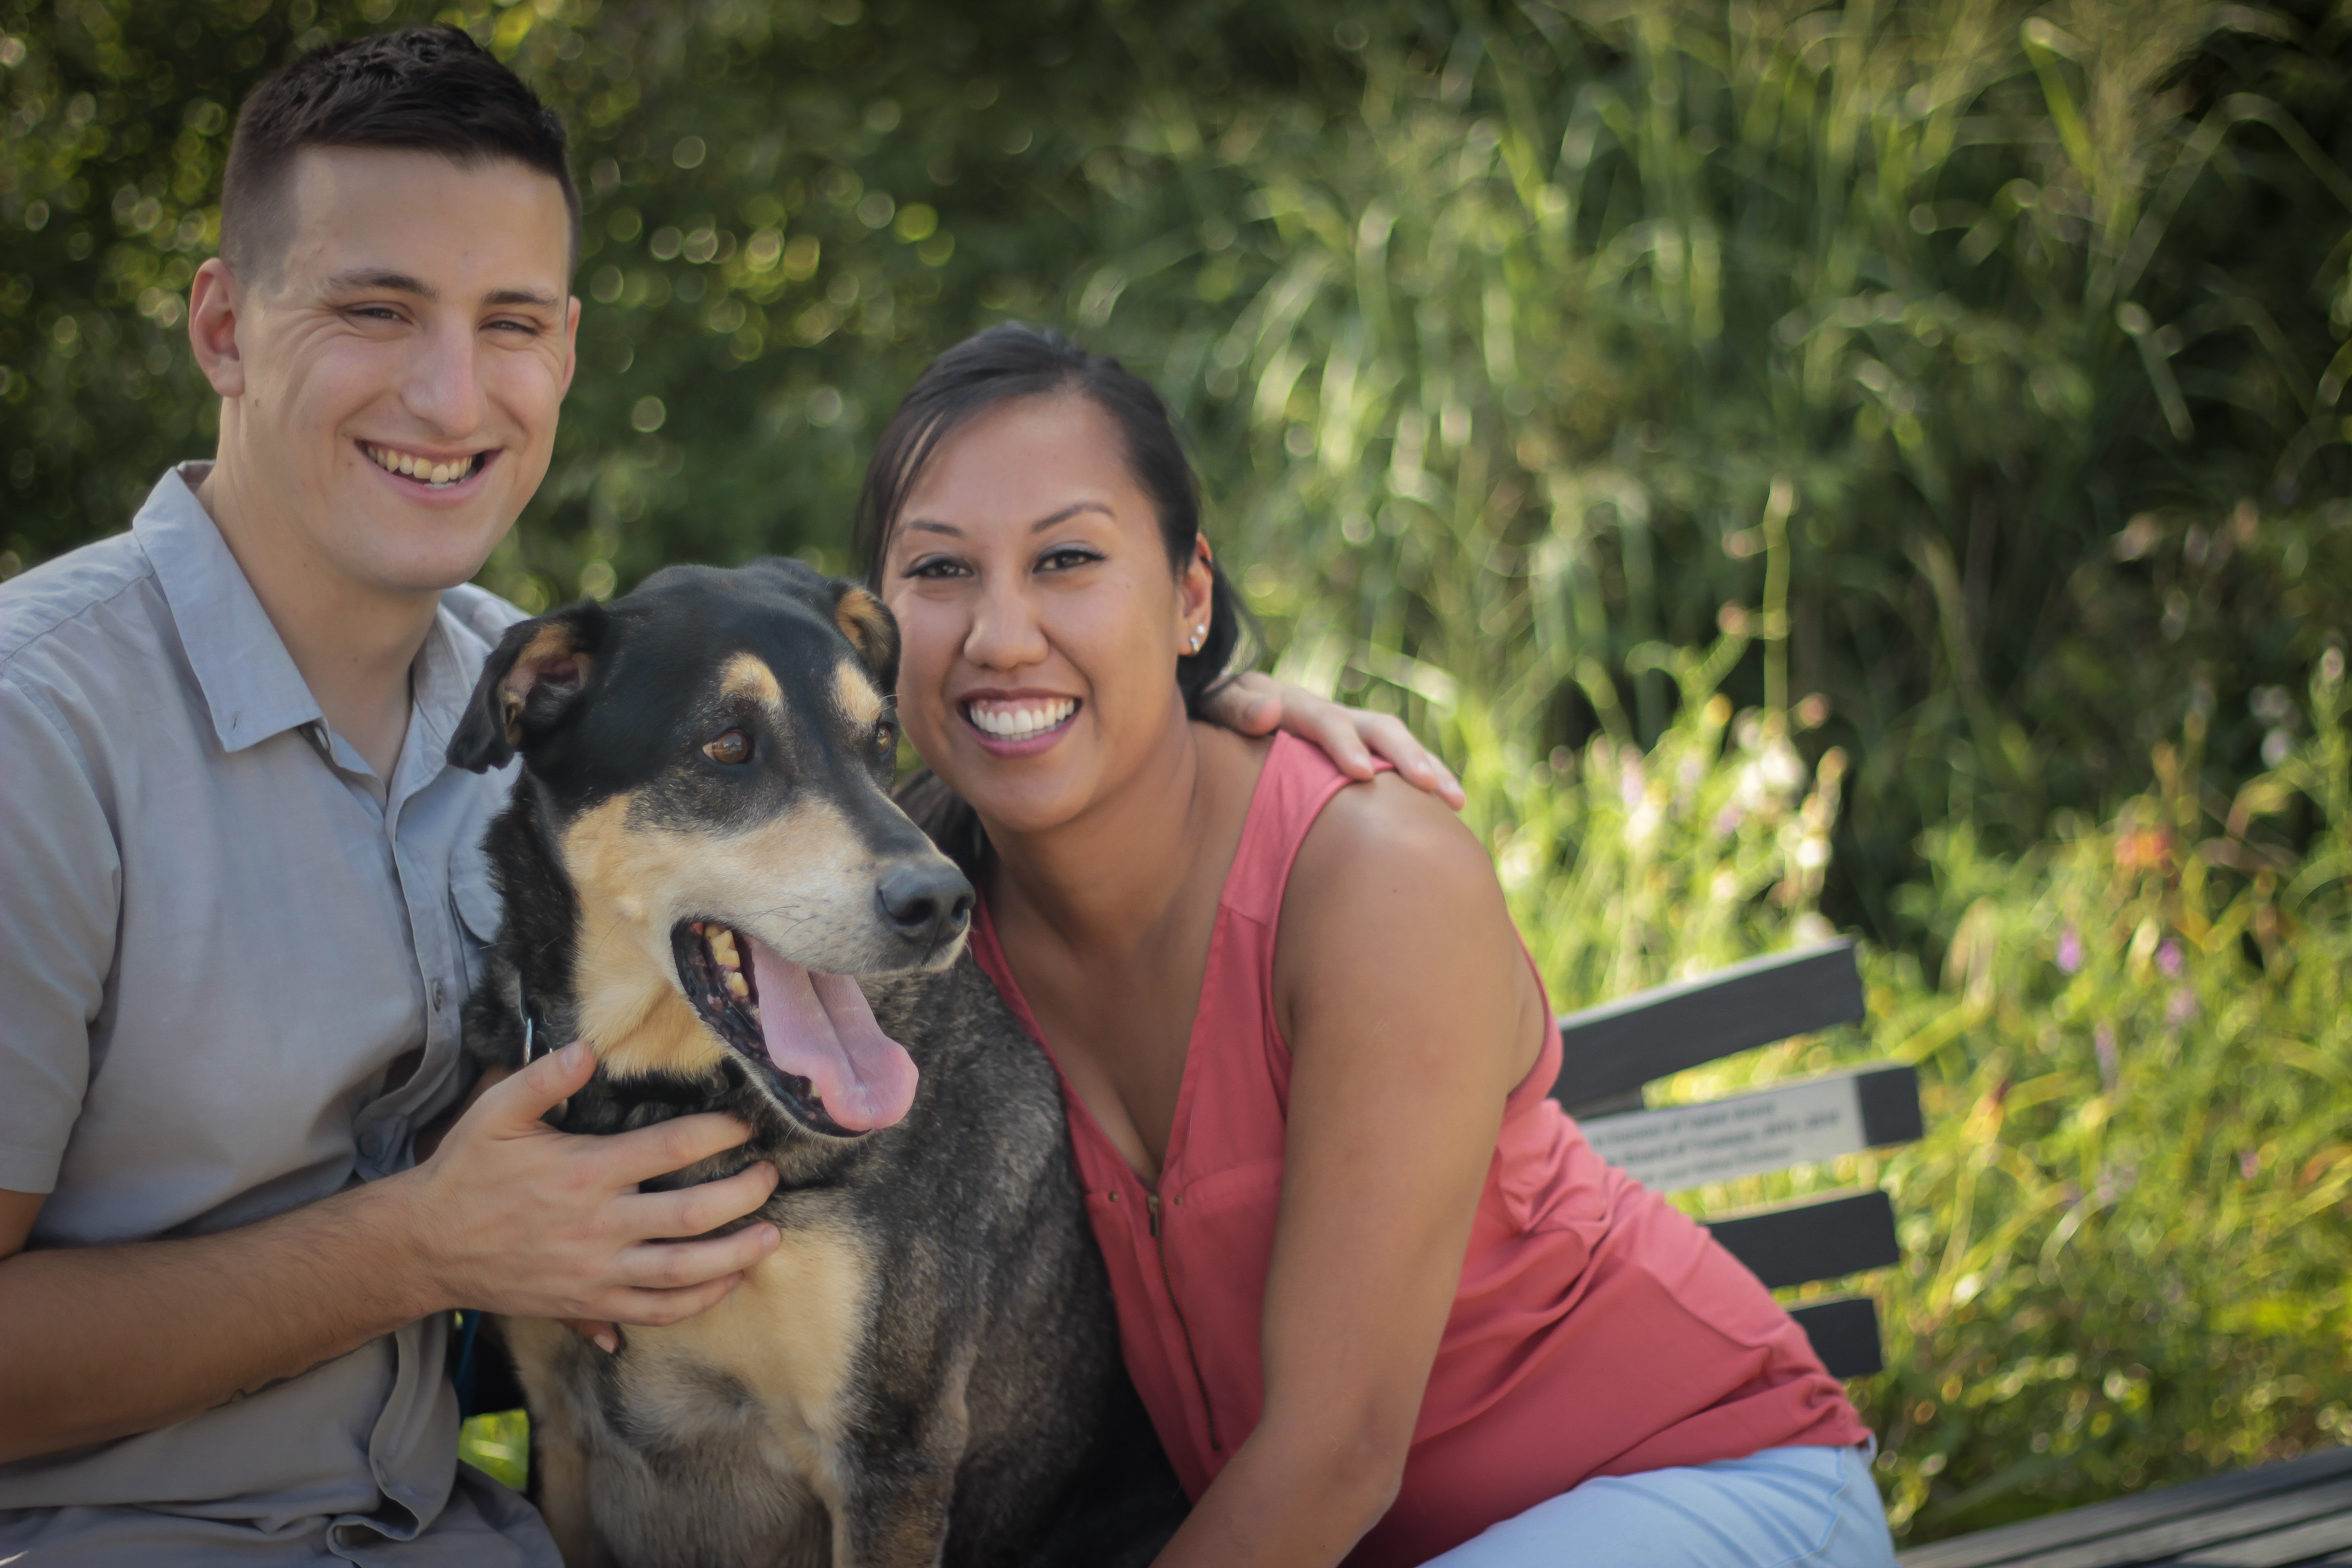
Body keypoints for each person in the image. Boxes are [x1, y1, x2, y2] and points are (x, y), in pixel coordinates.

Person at [0, 29, 1444, 1563]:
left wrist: (1205, 704)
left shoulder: (557, 701)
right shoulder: (43, 734)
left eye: (509, 322)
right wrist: (417, 1253)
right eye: (375, 310)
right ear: (223, 325)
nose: (448, 390)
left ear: (563, 349)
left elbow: (856, 811)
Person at [858, 323, 1905, 1568]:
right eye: (939, 572)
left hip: (1703, 1489)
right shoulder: (925, 937)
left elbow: (1336, 1451)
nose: (1001, 634)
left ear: (1190, 596)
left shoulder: (1371, 878)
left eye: (1070, 558)